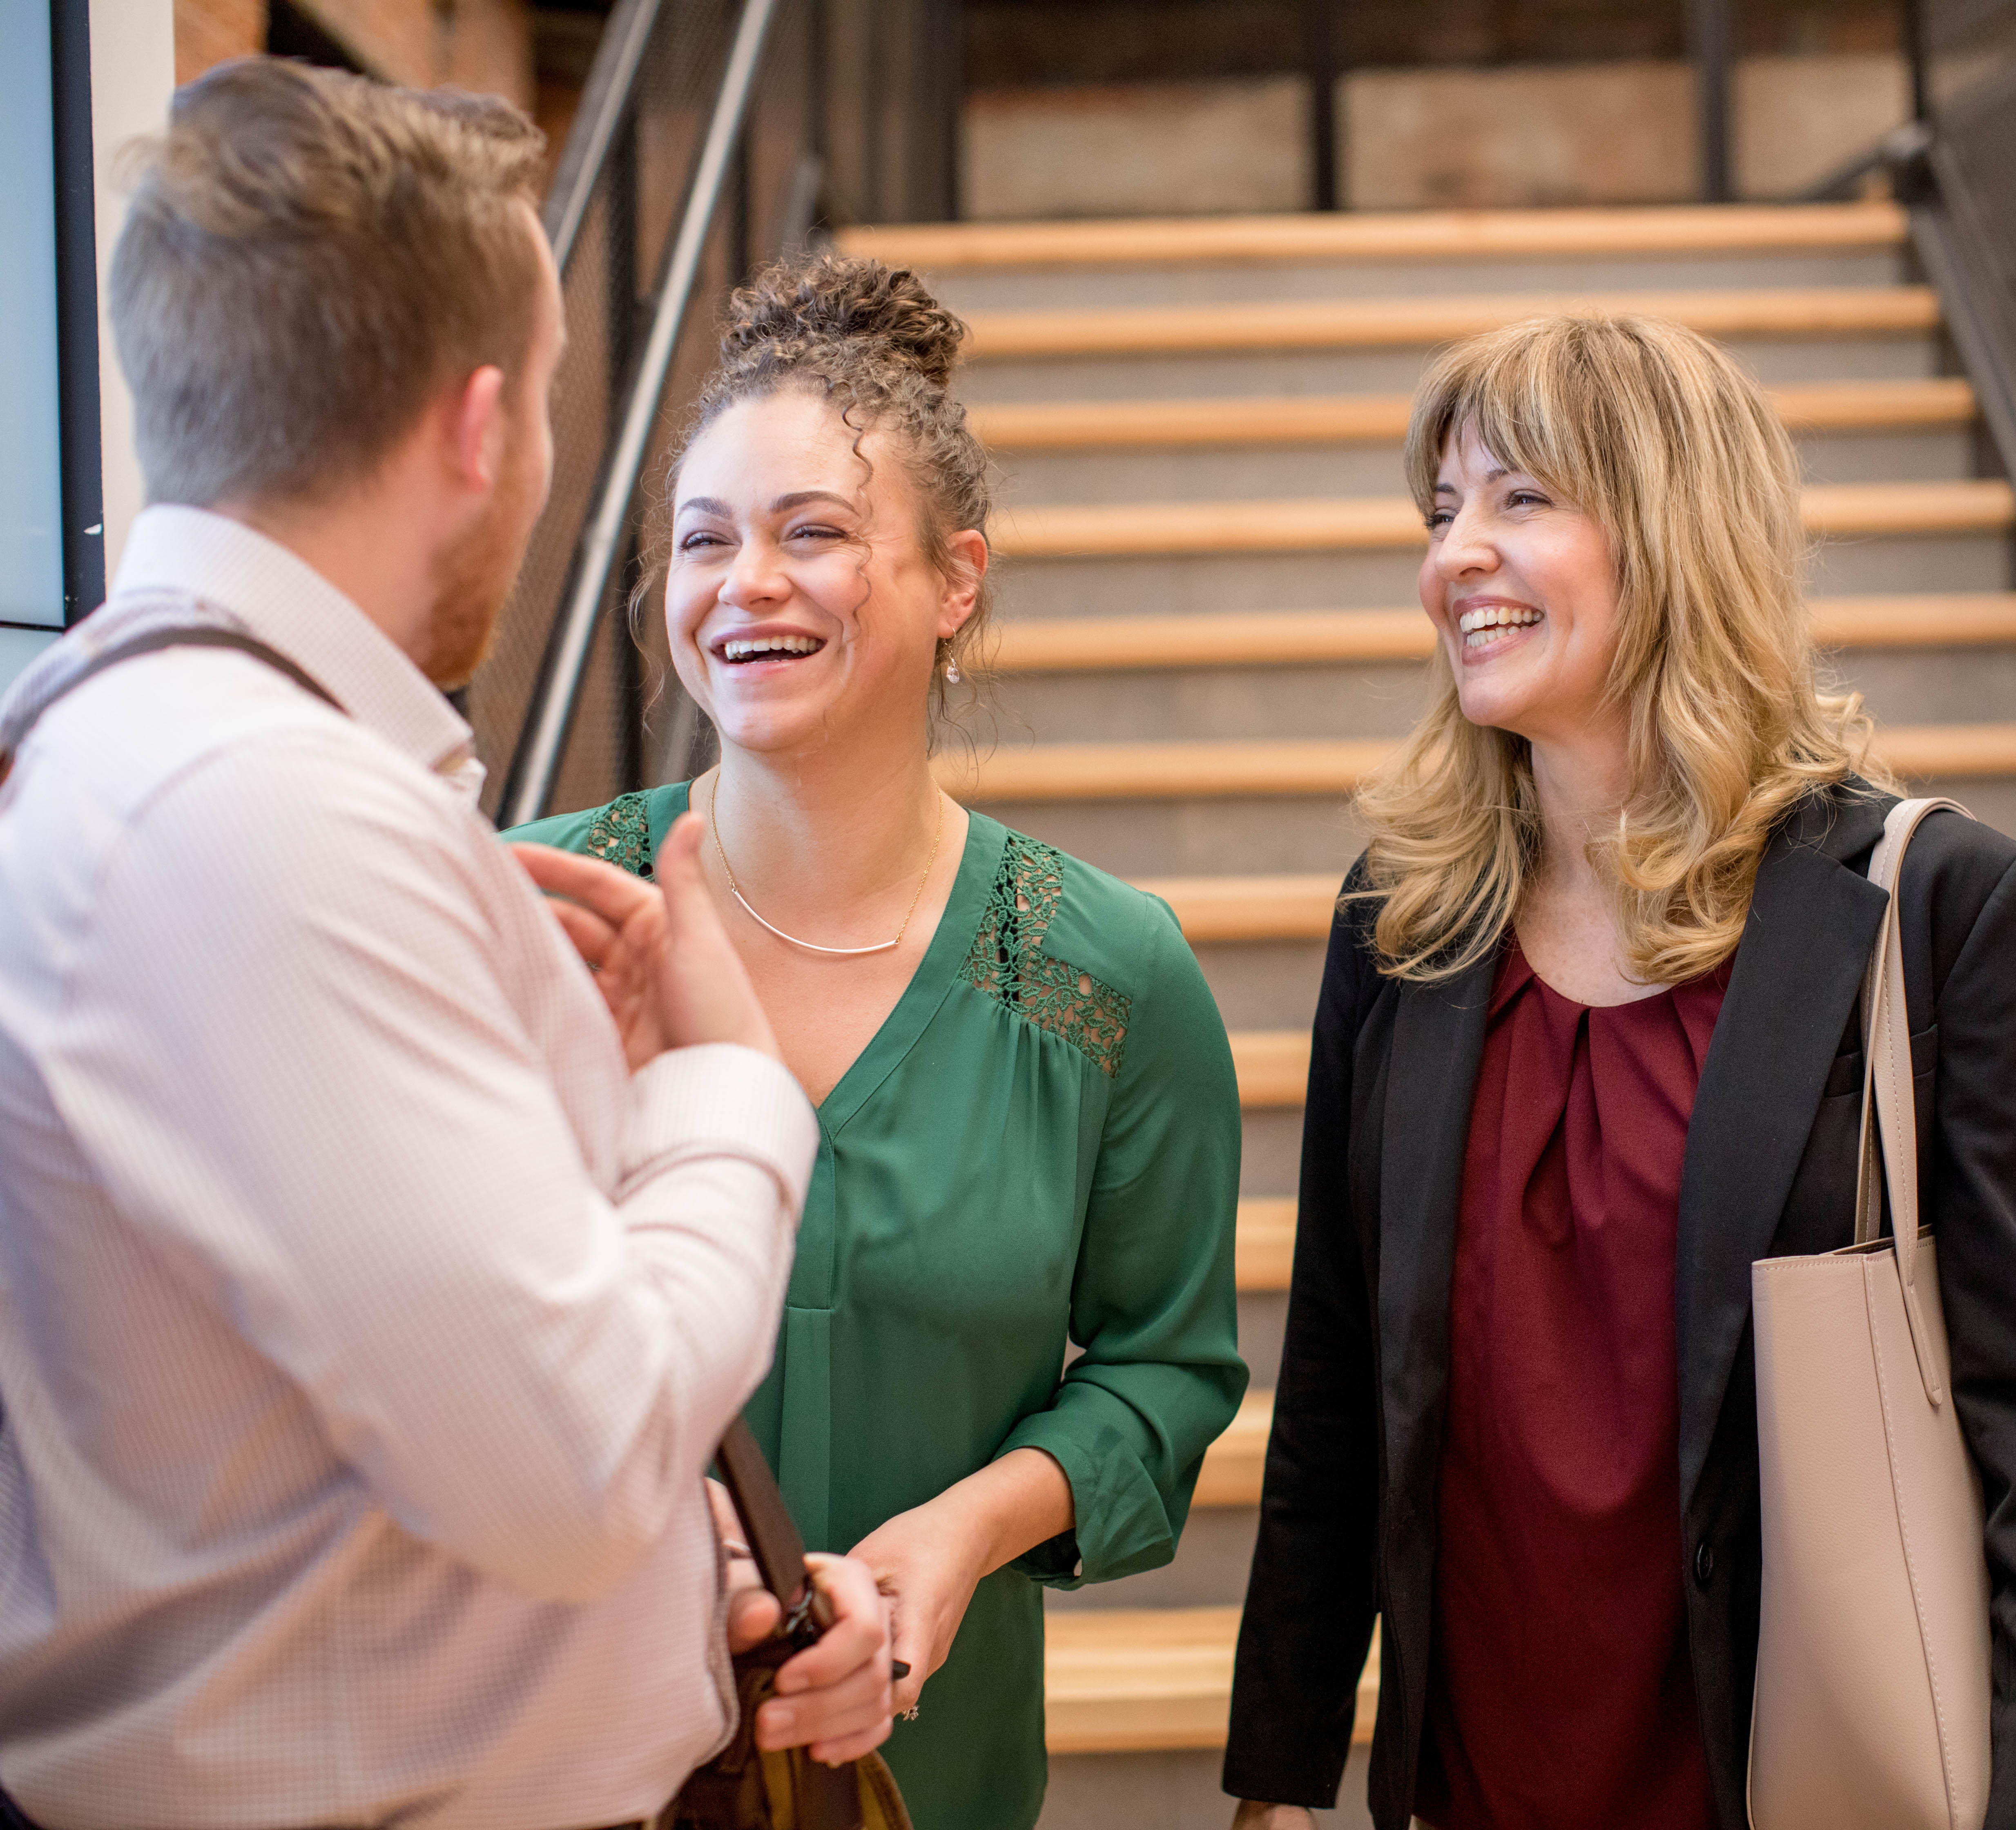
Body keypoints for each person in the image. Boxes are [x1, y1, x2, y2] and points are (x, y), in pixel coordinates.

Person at [0, 60, 900, 1830]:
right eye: (563, 402)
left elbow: (354, 1415)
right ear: (482, 428)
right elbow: (568, 1461)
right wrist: (723, 1090)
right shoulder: (257, 812)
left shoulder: (196, 771)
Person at [1220, 314, 2016, 1830]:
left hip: (1795, 1778)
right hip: (1477, 1780)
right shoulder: (1403, 921)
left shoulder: (1935, 909)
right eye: (1442, 511)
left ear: (1671, 532)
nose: (1459, 555)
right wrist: (1284, 1773)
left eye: (1521, 500)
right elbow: (1337, 1375)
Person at [509, 252, 1247, 1830]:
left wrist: (964, 1537)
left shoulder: (1112, 977)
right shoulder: (534, 913)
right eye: (704, 543)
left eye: (815, 535)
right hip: (562, 1761)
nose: (745, 585)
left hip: (937, 1773)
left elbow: (1164, 1375)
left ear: (957, 579)